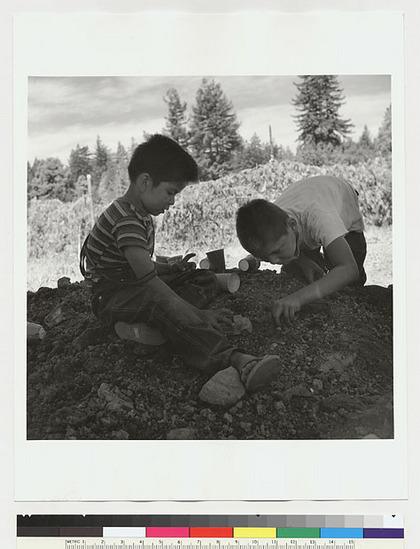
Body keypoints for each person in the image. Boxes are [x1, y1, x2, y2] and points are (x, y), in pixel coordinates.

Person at [80, 134, 281, 392]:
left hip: (131, 285)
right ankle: (235, 359)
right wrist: (197, 314)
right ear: (144, 182)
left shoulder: (138, 214)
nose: (172, 200)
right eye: (170, 192)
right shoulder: (126, 220)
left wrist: (173, 269)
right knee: (161, 303)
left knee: (202, 278)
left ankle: (163, 326)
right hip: (111, 299)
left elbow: (143, 268)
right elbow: (149, 282)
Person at [236, 174, 367, 328]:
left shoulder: (320, 218)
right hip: (306, 197)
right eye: (266, 258)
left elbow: (348, 269)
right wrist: (303, 262)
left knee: (347, 279)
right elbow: (282, 248)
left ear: (292, 225)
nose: (274, 261)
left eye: (278, 251)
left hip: (340, 197)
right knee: (297, 272)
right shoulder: (275, 225)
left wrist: (298, 298)